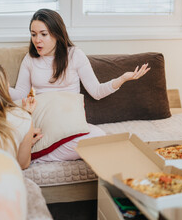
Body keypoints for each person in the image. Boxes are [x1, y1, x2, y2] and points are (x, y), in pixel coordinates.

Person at [9, 8, 150, 162]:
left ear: (56, 34)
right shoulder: (30, 59)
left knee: (99, 137)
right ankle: (36, 152)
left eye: (43, 34)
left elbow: (96, 91)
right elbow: (21, 94)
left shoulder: (75, 55)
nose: (37, 40)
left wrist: (122, 79)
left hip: (69, 121)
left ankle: (38, 157)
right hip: (43, 122)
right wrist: (0, 87)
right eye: (33, 34)